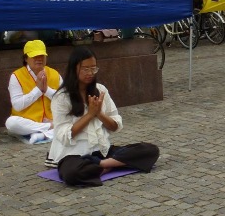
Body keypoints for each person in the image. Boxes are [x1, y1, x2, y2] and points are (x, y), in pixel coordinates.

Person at [46, 47, 159, 186]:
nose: (90, 73)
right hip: (75, 155)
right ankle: (113, 165)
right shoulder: (61, 97)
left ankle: (104, 164)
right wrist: (90, 114)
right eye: (85, 69)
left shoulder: (100, 90)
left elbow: (115, 125)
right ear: (74, 69)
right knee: (72, 174)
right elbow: (63, 135)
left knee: (150, 150)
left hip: (102, 152)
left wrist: (99, 114)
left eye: (93, 69)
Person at [5, 40, 62, 144]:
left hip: (52, 117)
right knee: (11, 123)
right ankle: (49, 128)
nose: (39, 59)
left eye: (42, 56)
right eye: (35, 56)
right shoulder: (16, 76)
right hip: (28, 121)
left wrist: (46, 90)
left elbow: (65, 100)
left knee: (77, 117)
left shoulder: (54, 74)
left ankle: (42, 135)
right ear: (26, 58)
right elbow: (17, 105)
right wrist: (38, 91)